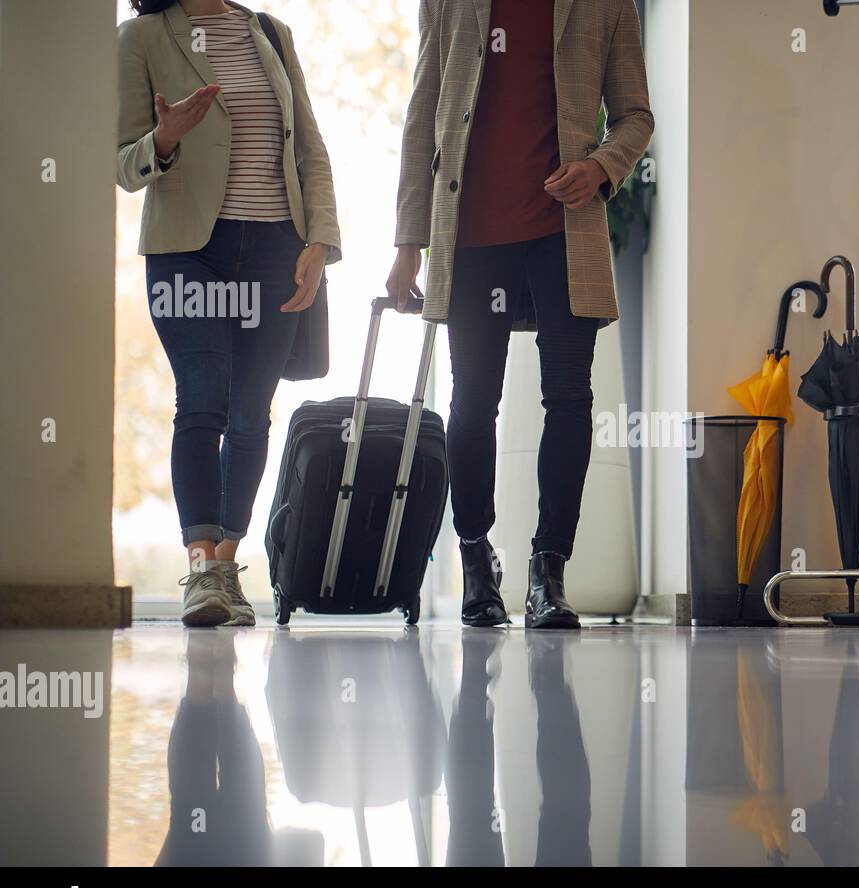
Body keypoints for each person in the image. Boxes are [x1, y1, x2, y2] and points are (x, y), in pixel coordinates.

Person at [387, 0, 653, 629]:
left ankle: (548, 573)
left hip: (564, 235)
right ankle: (477, 563)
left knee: (568, 399)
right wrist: (407, 247)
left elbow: (635, 115)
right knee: (474, 402)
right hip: (472, 233)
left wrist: (601, 168)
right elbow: (422, 114)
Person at [118, 0, 341, 626]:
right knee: (203, 397)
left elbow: (310, 149)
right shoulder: (139, 38)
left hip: (276, 246)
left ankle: (225, 566)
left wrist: (319, 242)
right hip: (191, 251)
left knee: (250, 413)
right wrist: (162, 139)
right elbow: (120, 160)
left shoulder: (269, 32)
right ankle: (199, 571)